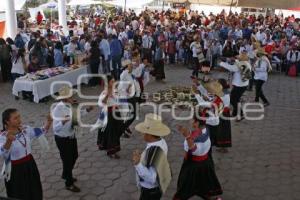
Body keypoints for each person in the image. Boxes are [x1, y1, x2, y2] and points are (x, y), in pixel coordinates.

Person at [0, 108, 52, 200]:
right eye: (15, 118)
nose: (19, 120)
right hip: (15, 170)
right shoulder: (3, 136)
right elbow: (3, 153)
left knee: (34, 190)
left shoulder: (25, 129)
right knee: (20, 193)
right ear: (7, 121)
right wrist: (9, 140)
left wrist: (49, 121)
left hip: (30, 165)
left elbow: (41, 131)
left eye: (19, 116)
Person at [52, 86, 94, 192]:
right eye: (70, 96)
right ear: (64, 98)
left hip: (71, 135)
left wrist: (87, 110)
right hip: (62, 139)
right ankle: (69, 183)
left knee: (74, 156)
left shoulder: (72, 105)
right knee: (67, 160)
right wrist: (62, 121)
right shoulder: (58, 109)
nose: (73, 97)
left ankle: (66, 174)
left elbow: (78, 114)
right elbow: (55, 128)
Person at [173, 114, 223, 200]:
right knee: (205, 185)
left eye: (192, 119)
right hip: (206, 164)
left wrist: (187, 136)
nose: (190, 121)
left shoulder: (193, 138)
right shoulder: (206, 130)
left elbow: (191, 151)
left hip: (192, 167)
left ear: (197, 123)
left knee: (184, 187)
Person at [133, 113, 172, 200]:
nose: (141, 134)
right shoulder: (162, 141)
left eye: (143, 132)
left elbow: (152, 178)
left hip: (150, 190)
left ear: (149, 134)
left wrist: (137, 163)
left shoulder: (154, 150)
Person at [97, 75, 124, 159]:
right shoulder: (104, 92)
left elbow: (119, 101)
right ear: (107, 83)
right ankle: (111, 151)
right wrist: (108, 95)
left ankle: (110, 146)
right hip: (108, 114)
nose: (114, 83)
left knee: (117, 130)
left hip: (115, 112)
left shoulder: (115, 90)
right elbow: (101, 103)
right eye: (112, 81)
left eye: (114, 81)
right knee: (111, 133)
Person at [219, 53, 251, 121]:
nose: (237, 58)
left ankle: (241, 114)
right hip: (243, 84)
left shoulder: (240, 64)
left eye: (238, 57)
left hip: (239, 85)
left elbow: (232, 68)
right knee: (236, 99)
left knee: (233, 100)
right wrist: (232, 60)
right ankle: (235, 113)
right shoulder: (246, 63)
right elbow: (236, 64)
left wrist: (222, 63)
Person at [119, 60, 141, 138]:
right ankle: (122, 129)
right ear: (126, 67)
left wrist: (137, 94)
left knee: (132, 114)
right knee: (132, 115)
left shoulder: (130, 74)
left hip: (132, 97)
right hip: (127, 98)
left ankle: (125, 126)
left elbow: (136, 73)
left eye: (131, 65)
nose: (132, 66)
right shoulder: (124, 74)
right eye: (130, 65)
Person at [216, 79, 232, 153]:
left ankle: (224, 147)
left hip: (223, 113)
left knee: (223, 130)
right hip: (225, 112)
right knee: (223, 130)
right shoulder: (225, 91)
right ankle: (222, 146)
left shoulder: (222, 94)